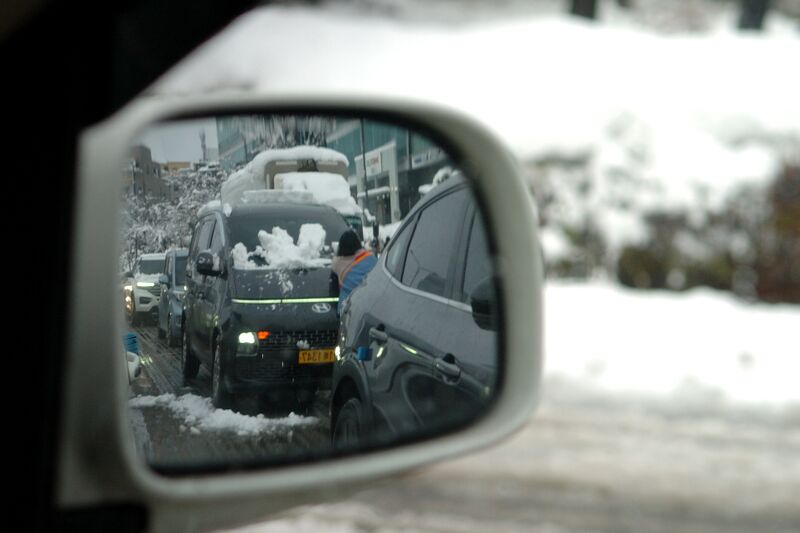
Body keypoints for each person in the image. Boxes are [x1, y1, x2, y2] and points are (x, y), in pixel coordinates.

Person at [331, 229, 378, 314]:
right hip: (371, 306)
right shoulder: (371, 258)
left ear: (341, 246)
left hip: (348, 309)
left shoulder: (337, 263)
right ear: (358, 243)